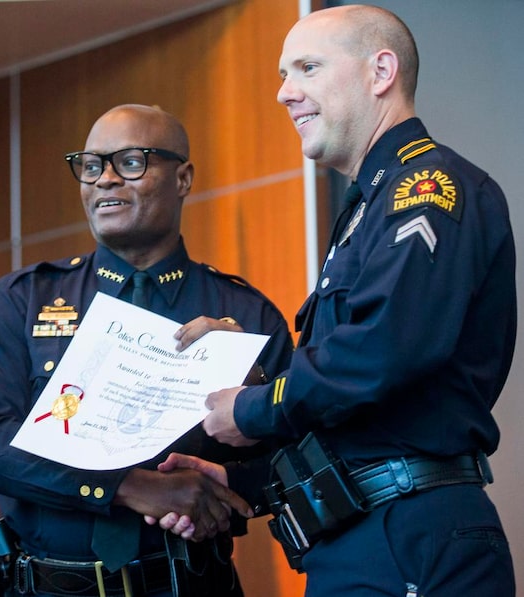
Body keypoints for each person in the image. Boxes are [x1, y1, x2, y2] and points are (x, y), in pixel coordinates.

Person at [200, 5, 516, 596]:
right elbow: (359, 423)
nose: (284, 94)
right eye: (282, 74)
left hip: (409, 535)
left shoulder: (427, 188)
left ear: (381, 72)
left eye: (307, 68)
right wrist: (238, 481)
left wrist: (251, 409)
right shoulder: (370, 204)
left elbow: (381, 352)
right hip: (368, 532)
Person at [0, 103, 293, 597]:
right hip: (49, 586)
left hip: (190, 583)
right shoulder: (21, 300)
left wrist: (222, 482)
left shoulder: (244, 316)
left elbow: (299, 461)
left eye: (131, 162)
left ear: (182, 178)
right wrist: (132, 486)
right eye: (91, 166)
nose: (105, 180)